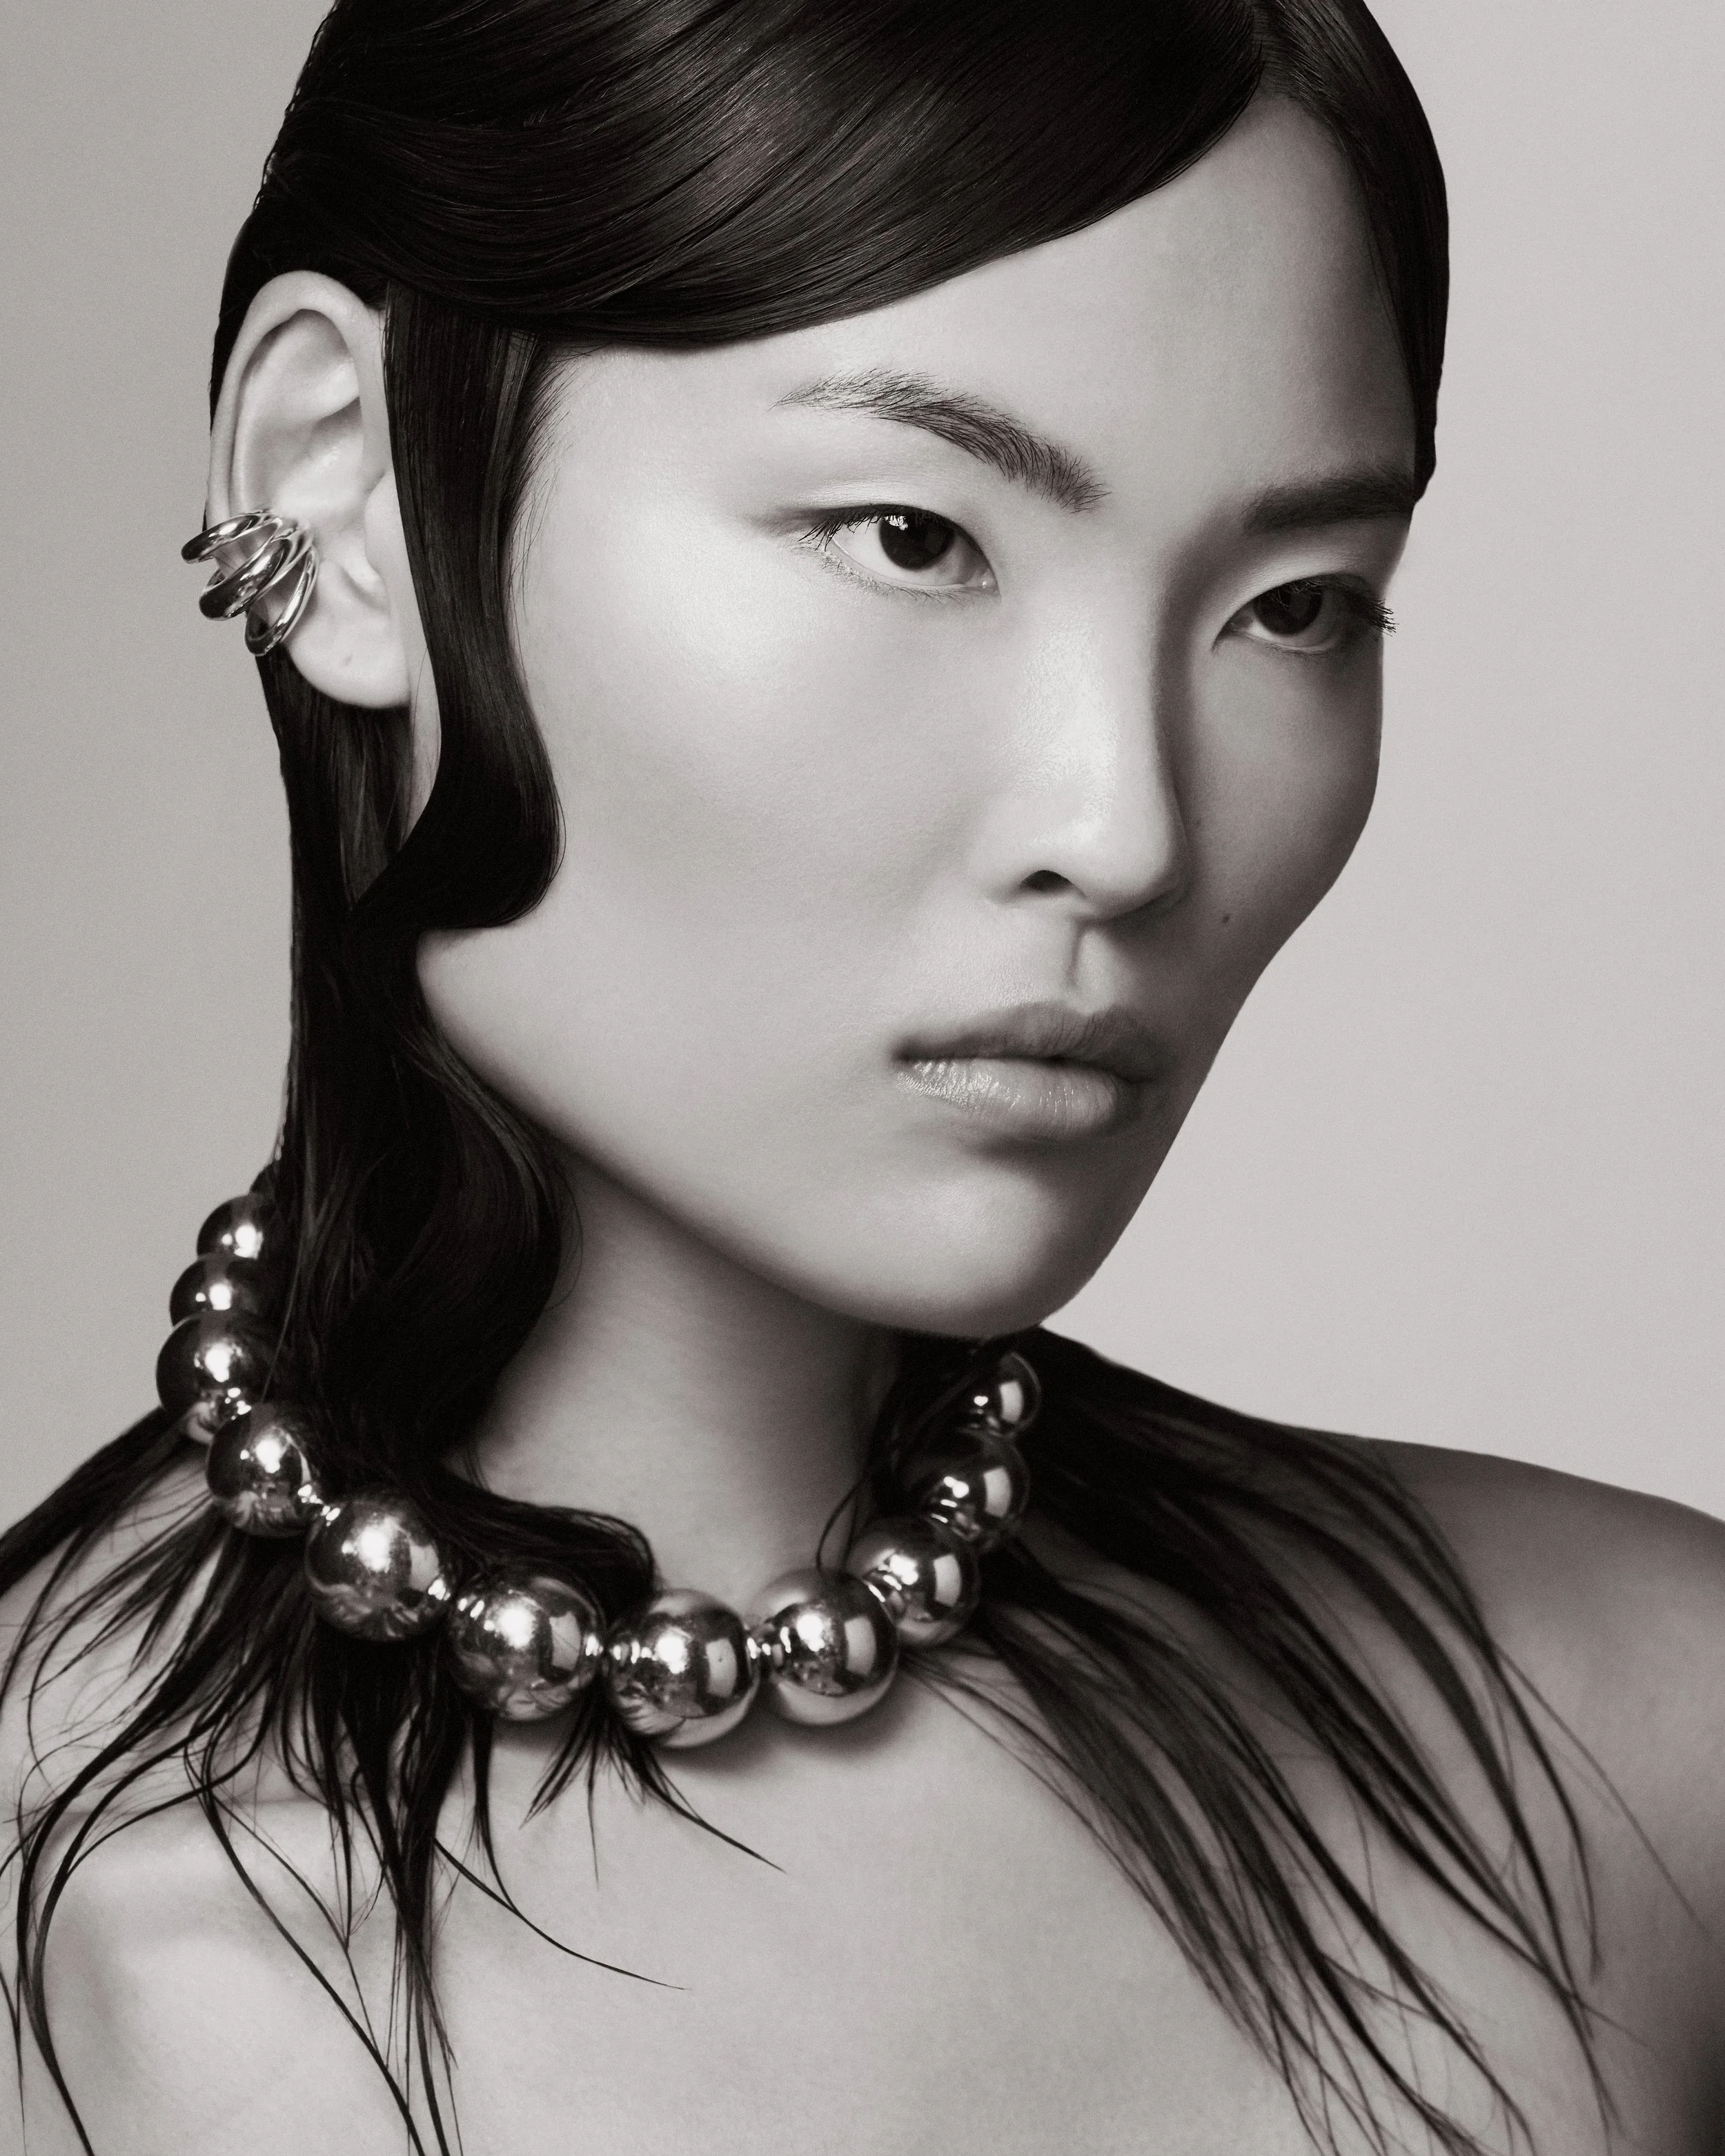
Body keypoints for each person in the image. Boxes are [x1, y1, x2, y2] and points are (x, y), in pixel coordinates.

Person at [1, 1, 1719, 2150]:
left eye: (1291, 608)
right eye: (913, 536)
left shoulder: (1638, 1747)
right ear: (336, 500)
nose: (1127, 826)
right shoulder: (71, 1940)